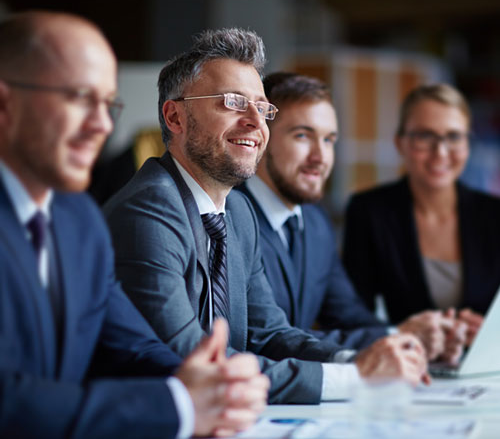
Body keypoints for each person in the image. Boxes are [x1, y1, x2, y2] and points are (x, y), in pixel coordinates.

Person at [104, 27, 429, 406]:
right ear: (175, 117)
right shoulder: (149, 209)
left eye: (262, 108)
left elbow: (269, 333)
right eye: (232, 102)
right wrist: (354, 380)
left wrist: (359, 362)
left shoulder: (238, 211)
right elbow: (194, 361)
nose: (256, 124)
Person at [0, 11, 269, 439]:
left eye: (107, 104)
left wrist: (213, 386)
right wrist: (178, 405)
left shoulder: (77, 218)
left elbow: (130, 344)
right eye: (78, 98)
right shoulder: (142, 206)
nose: (102, 126)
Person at [238, 72, 465, 362]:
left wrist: (413, 339)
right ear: (261, 136)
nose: (320, 157)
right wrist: (396, 338)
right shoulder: (230, 216)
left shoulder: (316, 223)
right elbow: (265, 338)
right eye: (302, 136)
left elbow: (349, 317)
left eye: (329, 140)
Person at [343, 83, 500, 348]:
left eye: (453, 137)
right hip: (406, 365)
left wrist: (490, 335)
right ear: (400, 143)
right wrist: (401, 333)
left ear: (468, 143)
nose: (440, 152)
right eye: (425, 136)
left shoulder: (494, 215)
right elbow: (351, 313)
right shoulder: (369, 211)